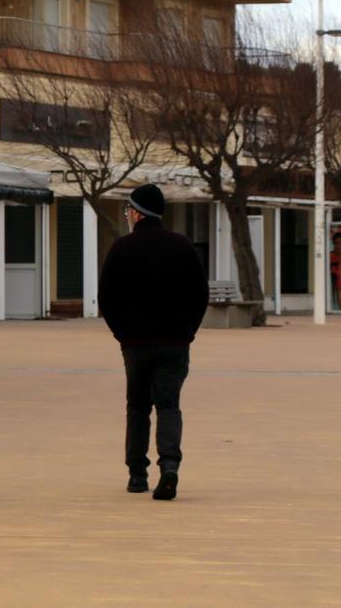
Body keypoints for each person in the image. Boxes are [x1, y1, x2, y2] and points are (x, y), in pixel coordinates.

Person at [98, 184, 209, 501]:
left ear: (136, 213)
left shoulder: (122, 248)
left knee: (137, 406)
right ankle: (170, 467)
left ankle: (137, 473)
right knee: (168, 405)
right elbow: (200, 294)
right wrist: (188, 331)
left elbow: (106, 297)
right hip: (175, 342)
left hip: (135, 344)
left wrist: (122, 332)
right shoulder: (183, 246)